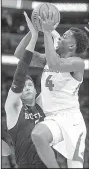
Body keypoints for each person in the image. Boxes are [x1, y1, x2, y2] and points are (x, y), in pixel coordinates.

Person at [14, 11, 88, 168]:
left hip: (72, 121)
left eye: (66, 36)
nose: (61, 37)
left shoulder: (77, 63)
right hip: (52, 118)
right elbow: (20, 54)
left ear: (72, 46)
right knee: (37, 135)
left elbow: (56, 64)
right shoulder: (47, 60)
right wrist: (33, 31)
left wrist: (47, 32)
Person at [5, 20, 46, 168]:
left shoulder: (43, 105)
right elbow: (20, 73)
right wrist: (34, 36)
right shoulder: (13, 109)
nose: (27, 88)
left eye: (30, 85)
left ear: (36, 91)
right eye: (23, 87)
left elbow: (53, 74)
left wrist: (48, 32)